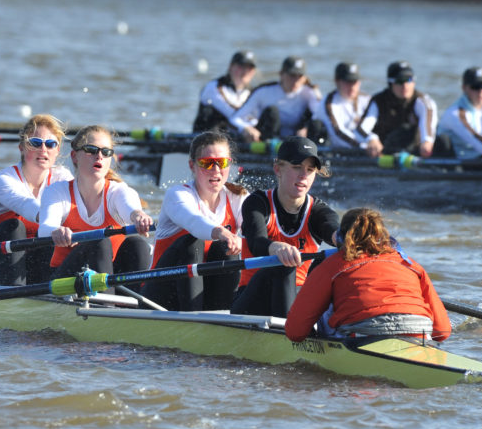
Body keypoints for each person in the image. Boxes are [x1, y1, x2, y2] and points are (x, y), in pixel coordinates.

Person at [285, 207, 451, 343]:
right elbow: (442, 332)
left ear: (342, 238)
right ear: (383, 237)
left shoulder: (331, 266)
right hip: (420, 333)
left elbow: (295, 332)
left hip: (363, 334)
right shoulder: (411, 265)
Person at [232, 136, 339, 318]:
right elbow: (256, 242)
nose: (303, 175)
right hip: (252, 301)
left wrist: (351, 239)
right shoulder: (257, 203)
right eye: (297, 167)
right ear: (277, 169)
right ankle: (289, 335)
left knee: (336, 260)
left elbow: (334, 230)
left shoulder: (319, 211)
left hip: (296, 300)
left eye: (310, 169)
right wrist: (276, 247)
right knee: (283, 263)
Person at [142, 131, 247, 311]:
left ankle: (223, 316)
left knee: (226, 250)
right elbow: (193, 221)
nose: (215, 170)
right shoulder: (178, 195)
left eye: (221, 163)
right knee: (193, 243)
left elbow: (256, 233)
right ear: (192, 165)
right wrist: (221, 231)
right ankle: (195, 318)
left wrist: (246, 240)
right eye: (207, 163)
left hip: (208, 294)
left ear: (230, 164)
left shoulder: (238, 197)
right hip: (160, 296)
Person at [0, 114, 73, 285]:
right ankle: (17, 297)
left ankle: (48, 290)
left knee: (60, 234)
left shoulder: (62, 178)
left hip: (31, 267)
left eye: (50, 144)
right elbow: (27, 205)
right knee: (15, 227)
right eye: (35, 143)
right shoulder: (4, 180)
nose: (43, 149)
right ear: (21, 147)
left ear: (57, 150)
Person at [38, 125, 153, 280]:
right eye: (91, 150)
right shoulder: (58, 192)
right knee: (99, 241)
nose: (99, 156)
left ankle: (134, 300)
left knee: (137, 244)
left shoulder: (118, 192)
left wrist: (138, 216)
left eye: (106, 152)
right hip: (67, 279)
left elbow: (130, 208)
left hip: (111, 277)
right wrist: (55, 231)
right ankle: (108, 302)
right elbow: (45, 228)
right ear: (74, 156)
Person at [357, 61, 448, 158]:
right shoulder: (378, 101)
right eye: (399, 81)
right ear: (390, 83)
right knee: (402, 131)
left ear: (414, 82)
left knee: (444, 140)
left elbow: (428, 126)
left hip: (415, 153)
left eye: (408, 80)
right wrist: (371, 139)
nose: (405, 86)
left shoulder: (423, 101)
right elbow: (362, 127)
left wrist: (427, 141)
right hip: (384, 154)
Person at [229, 56, 323, 143]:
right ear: (281, 74)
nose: (295, 81)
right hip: (268, 135)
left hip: (297, 135)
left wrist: (306, 128)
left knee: (316, 124)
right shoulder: (263, 91)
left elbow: (320, 116)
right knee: (272, 112)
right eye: (292, 75)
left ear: (305, 78)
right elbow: (235, 118)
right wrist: (246, 128)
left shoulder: (310, 92)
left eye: (299, 76)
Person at [438, 67, 482, 162]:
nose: (480, 91)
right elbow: (475, 140)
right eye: (475, 87)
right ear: (464, 88)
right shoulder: (455, 113)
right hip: (460, 162)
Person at [192, 50, 257, 132]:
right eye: (241, 66)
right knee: (209, 112)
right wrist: (246, 127)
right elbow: (231, 113)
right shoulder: (214, 86)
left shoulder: (254, 92)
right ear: (230, 67)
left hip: (239, 137)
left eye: (249, 68)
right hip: (212, 135)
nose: (245, 72)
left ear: (254, 72)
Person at [314, 62, 372, 151]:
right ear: (337, 81)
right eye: (347, 82)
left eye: (355, 82)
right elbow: (338, 132)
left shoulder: (366, 99)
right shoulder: (328, 103)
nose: (352, 86)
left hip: (362, 146)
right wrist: (364, 146)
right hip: (333, 147)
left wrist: (373, 141)